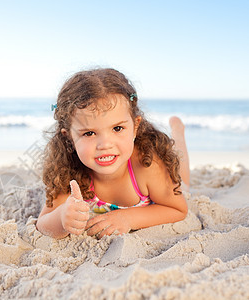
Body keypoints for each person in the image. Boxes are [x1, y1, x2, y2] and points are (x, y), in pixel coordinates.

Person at [36, 68, 189, 239]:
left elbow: (177, 209)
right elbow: (43, 223)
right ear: (70, 137)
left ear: (135, 127)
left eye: (117, 128)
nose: (105, 145)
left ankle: (177, 131)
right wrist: (62, 216)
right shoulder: (69, 173)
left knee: (180, 172)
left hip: (164, 181)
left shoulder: (147, 164)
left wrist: (127, 218)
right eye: (89, 133)